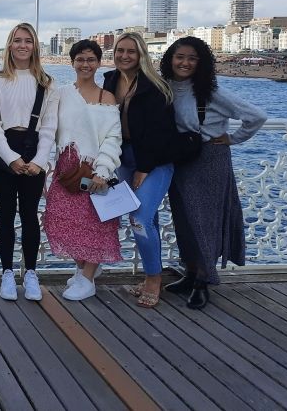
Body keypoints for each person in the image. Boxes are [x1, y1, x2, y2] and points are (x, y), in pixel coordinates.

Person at [160, 37, 265, 309]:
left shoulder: (211, 91)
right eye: (179, 56)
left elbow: (256, 115)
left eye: (192, 58)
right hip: (181, 158)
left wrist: (233, 139)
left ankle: (204, 281)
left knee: (203, 221)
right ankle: (191, 272)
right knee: (183, 220)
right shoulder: (167, 87)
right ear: (170, 59)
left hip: (209, 158)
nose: (185, 63)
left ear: (201, 62)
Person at [43, 40, 122, 301]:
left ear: (99, 63)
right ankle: (83, 269)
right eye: (80, 59)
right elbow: (48, 129)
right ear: (72, 62)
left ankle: (87, 277)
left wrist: (103, 170)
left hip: (95, 169)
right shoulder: (61, 93)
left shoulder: (107, 98)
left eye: (91, 59)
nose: (85, 64)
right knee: (60, 220)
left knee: (96, 223)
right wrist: (45, 166)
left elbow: (112, 137)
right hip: (66, 169)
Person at [103, 32, 176, 308]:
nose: (124, 56)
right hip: (123, 157)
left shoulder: (154, 86)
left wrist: (144, 168)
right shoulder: (110, 80)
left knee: (140, 219)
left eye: (131, 51)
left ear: (141, 55)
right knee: (120, 212)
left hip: (154, 160)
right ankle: (148, 274)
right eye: (120, 50)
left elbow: (161, 132)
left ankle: (153, 279)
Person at [0, 23, 57, 302]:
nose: (22, 45)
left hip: (34, 149)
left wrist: (40, 161)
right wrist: (11, 159)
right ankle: (6, 272)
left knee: (29, 215)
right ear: (10, 45)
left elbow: (50, 127)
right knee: (5, 214)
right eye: (17, 40)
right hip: (6, 151)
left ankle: (30, 273)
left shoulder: (47, 83)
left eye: (28, 41)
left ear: (35, 46)